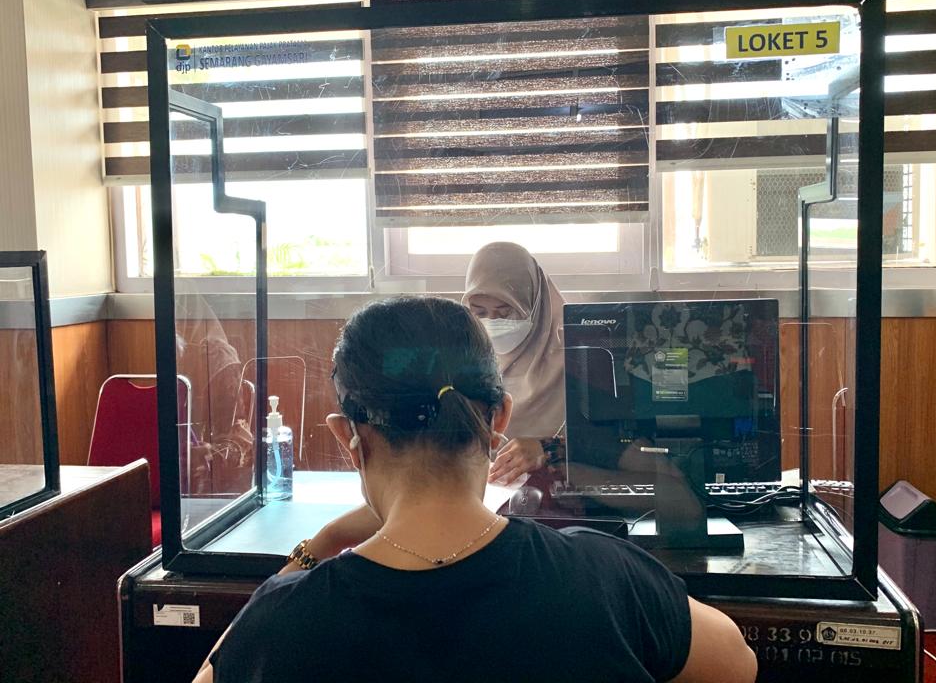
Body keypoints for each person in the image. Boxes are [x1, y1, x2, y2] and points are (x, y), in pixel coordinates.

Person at [192, 296, 756, 683]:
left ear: (348, 437)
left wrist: (321, 543)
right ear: (499, 418)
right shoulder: (605, 575)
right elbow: (737, 664)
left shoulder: (287, 620)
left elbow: (221, 667)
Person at [463, 242, 566, 485]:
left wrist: (549, 448)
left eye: (506, 312)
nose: (493, 322)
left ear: (536, 306)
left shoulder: (576, 362)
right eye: (479, 313)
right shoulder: (460, 364)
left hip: (558, 501)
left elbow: (615, 450)